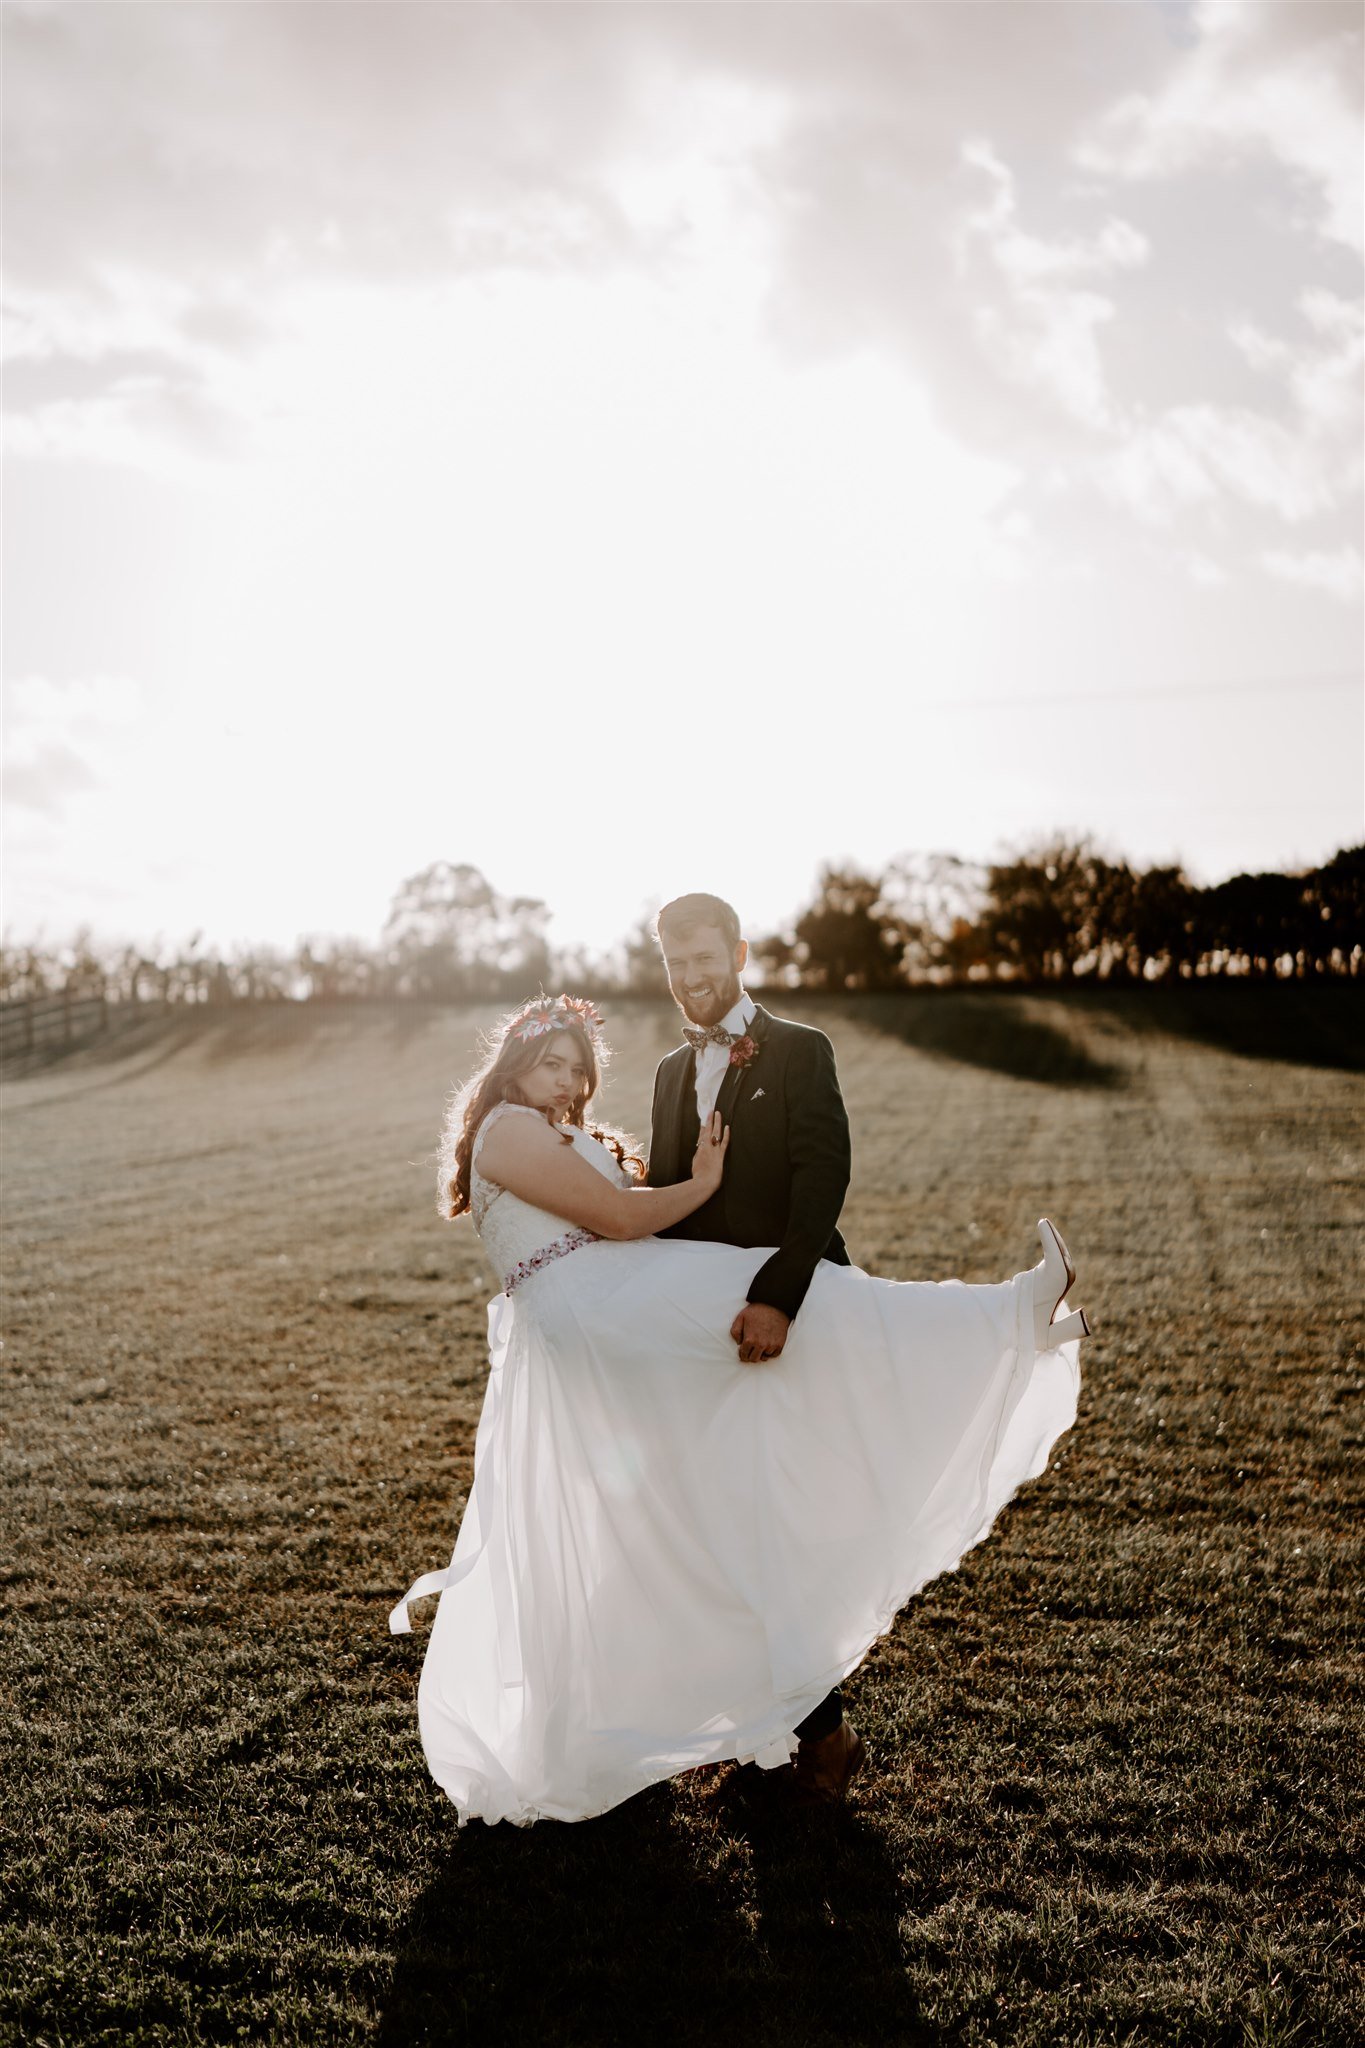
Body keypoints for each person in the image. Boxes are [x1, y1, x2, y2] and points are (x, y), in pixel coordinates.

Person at [391, 992, 1088, 1830]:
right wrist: (705, 1180)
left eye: (578, 1067)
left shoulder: (554, 1129)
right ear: (512, 1064)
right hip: (598, 1313)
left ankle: (1005, 1325)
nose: (569, 1078)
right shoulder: (506, 1128)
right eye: (551, 1062)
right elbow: (615, 1217)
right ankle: (1004, 1320)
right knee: (797, 1298)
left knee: (707, 1483)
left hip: (616, 1314)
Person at [646, 892, 860, 1801]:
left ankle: (826, 1738)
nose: (690, 978)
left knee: (774, 1532)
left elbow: (823, 1180)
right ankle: (770, 1733)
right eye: (673, 962)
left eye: (704, 958)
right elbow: (664, 1197)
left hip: (788, 1320)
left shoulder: (800, 1049)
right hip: (700, 1335)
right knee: (718, 1532)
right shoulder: (665, 1071)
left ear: (736, 951)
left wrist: (776, 1298)